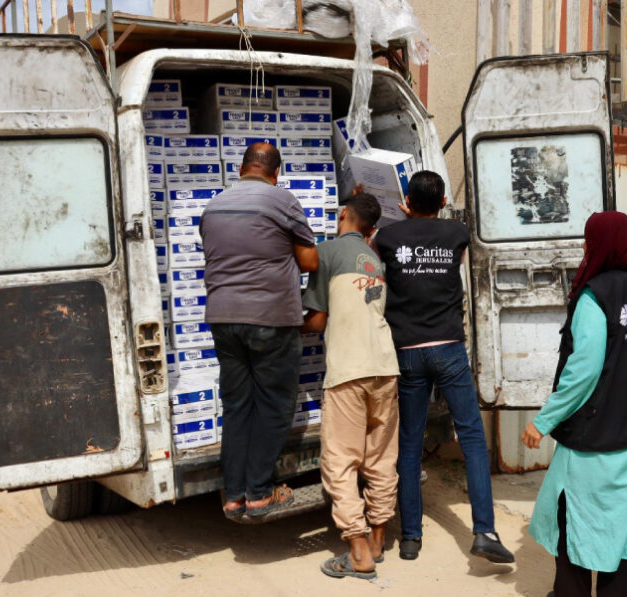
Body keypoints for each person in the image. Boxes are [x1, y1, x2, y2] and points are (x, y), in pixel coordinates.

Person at [521, 211, 627, 597]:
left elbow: (584, 372)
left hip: (596, 439)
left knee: (573, 524)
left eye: (588, 241)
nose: (585, 248)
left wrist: (542, 422)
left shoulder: (595, 296)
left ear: (598, 246)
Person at [373, 171, 514, 564]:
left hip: (408, 353)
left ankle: (410, 540)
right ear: (441, 202)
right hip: (449, 350)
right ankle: (484, 531)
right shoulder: (456, 234)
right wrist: (429, 217)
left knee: (410, 444)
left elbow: (378, 254)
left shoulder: (388, 238)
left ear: (407, 201)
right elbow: (460, 248)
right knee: (471, 437)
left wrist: (407, 221)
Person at [200, 142, 319, 522]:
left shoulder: (214, 205)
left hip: (223, 318)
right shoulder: (282, 201)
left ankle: (233, 495)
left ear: (240, 168)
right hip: (270, 319)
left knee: (237, 407)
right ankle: (260, 493)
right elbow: (309, 260)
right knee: (272, 405)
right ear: (276, 173)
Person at [302, 192, 401, 580]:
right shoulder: (376, 260)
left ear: (343, 214)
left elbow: (317, 322)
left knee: (341, 461)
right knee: (380, 459)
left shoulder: (325, 253)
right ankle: (377, 541)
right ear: (372, 229)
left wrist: (286, 324)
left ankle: (357, 550)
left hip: (348, 370)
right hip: (384, 366)